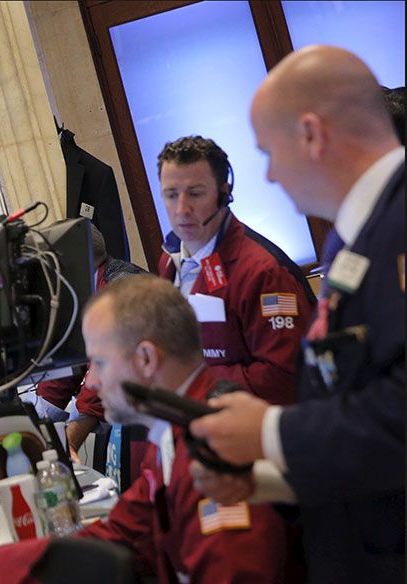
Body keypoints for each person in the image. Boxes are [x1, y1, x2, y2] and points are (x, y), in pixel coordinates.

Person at [0, 275, 304, 584]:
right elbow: (122, 534)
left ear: (147, 359)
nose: (93, 384)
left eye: (99, 364)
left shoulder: (218, 449)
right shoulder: (174, 431)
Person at [189, 45, 405, 583]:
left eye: (269, 151)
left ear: (311, 134)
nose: (267, 176)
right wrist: (266, 478)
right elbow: (354, 408)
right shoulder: (353, 239)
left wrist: (271, 431)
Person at [156, 135, 314, 406]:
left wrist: (192, 382)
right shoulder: (169, 259)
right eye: (171, 195)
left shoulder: (263, 272)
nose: (181, 210)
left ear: (224, 193)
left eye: (195, 193)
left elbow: (283, 379)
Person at [28, 225, 145, 429]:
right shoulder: (79, 293)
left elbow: (111, 371)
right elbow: (68, 362)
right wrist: (37, 422)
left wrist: (71, 441)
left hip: (149, 413)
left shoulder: (121, 292)